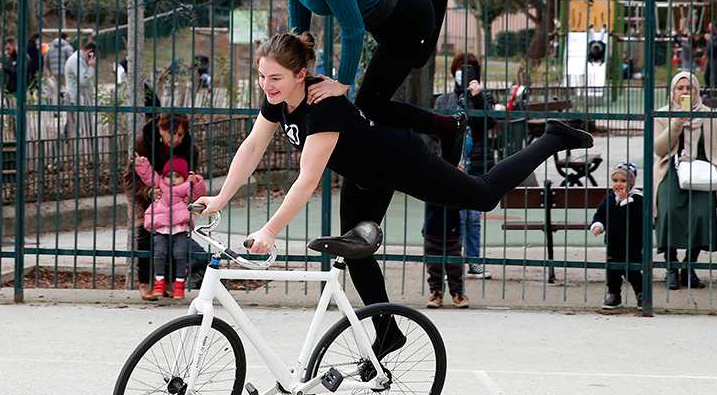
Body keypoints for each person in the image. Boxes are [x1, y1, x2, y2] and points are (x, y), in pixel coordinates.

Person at [194, 32, 592, 350]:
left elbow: (308, 179)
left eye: (276, 77)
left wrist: (271, 230)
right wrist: (220, 198)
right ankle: (387, 332)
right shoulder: (277, 102)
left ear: (301, 74)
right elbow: (251, 147)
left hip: (398, 160)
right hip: (363, 175)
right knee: (356, 251)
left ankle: (552, 138)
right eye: (262, 77)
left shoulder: (323, 107)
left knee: (484, 196)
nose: (267, 85)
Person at [240, 0, 487, 162]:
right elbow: (297, 4)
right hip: (389, 10)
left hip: (404, 17)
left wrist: (342, 83)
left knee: (371, 107)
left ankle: (450, 126)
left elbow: (352, 27)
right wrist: (295, 64)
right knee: (421, 57)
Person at [654, 71, 717, 291]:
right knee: (668, 211)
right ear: (673, 92)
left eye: (690, 88)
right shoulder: (662, 115)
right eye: (680, 88)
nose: (685, 92)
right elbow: (659, 149)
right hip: (672, 170)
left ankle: (689, 266)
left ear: (697, 91)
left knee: (701, 213)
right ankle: (671, 267)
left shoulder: (710, 115)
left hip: (704, 173)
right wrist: (677, 123)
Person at [123, 113, 202, 301]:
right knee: (144, 236)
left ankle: (167, 282)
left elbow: (192, 179)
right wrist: (149, 193)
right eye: (171, 133)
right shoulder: (143, 144)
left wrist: (189, 191)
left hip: (174, 199)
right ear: (160, 129)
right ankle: (144, 283)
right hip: (144, 195)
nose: (176, 139)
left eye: (181, 135)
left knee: (175, 238)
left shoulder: (191, 149)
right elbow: (129, 179)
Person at [434, 53, 496, 279]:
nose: (465, 73)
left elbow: (488, 125)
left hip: (478, 162)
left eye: (470, 69)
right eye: (461, 69)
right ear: (454, 72)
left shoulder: (484, 98)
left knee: (473, 217)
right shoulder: (444, 100)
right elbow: (434, 130)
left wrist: (477, 97)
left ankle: (473, 261)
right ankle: (453, 262)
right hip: (453, 165)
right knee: (455, 216)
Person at [133, 154, 207, 300]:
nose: (172, 179)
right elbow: (148, 176)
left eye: (177, 176)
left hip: (179, 228)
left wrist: (197, 181)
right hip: (161, 228)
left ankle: (179, 283)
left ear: (184, 178)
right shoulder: (160, 184)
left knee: (180, 254)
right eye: (168, 175)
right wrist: (142, 164)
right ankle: (159, 280)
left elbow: (198, 195)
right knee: (159, 253)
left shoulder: (186, 187)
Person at [591, 162, 644, 311]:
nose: (618, 184)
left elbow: (636, 218)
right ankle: (614, 295)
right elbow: (600, 215)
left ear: (631, 183)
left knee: (632, 271)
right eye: (615, 181)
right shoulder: (609, 200)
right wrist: (598, 225)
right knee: (612, 271)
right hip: (613, 244)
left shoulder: (637, 199)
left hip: (631, 243)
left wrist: (625, 201)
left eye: (623, 181)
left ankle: (641, 294)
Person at [423, 202, 468, 309]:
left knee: (455, 266)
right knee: (433, 265)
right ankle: (436, 292)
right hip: (432, 228)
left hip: (452, 230)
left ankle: (457, 293)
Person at [702, 22, 717, 88]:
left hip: (716, 58)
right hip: (709, 58)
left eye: (710, 27)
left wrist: (709, 40)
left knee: (715, 75)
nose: (708, 28)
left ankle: (716, 90)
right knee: (706, 75)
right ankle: (708, 88)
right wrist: (705, 55)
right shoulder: (711, 35)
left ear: (715, 28)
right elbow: (708, 46)